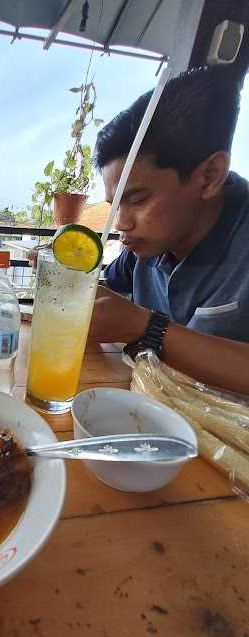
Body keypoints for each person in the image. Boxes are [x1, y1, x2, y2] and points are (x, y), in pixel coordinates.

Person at [89, 66, 249, 395]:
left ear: (209, 176)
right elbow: (108, 287)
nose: (121, 223)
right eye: (115, 204)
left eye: (137, 199)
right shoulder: (145, 246)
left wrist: (145, 326)